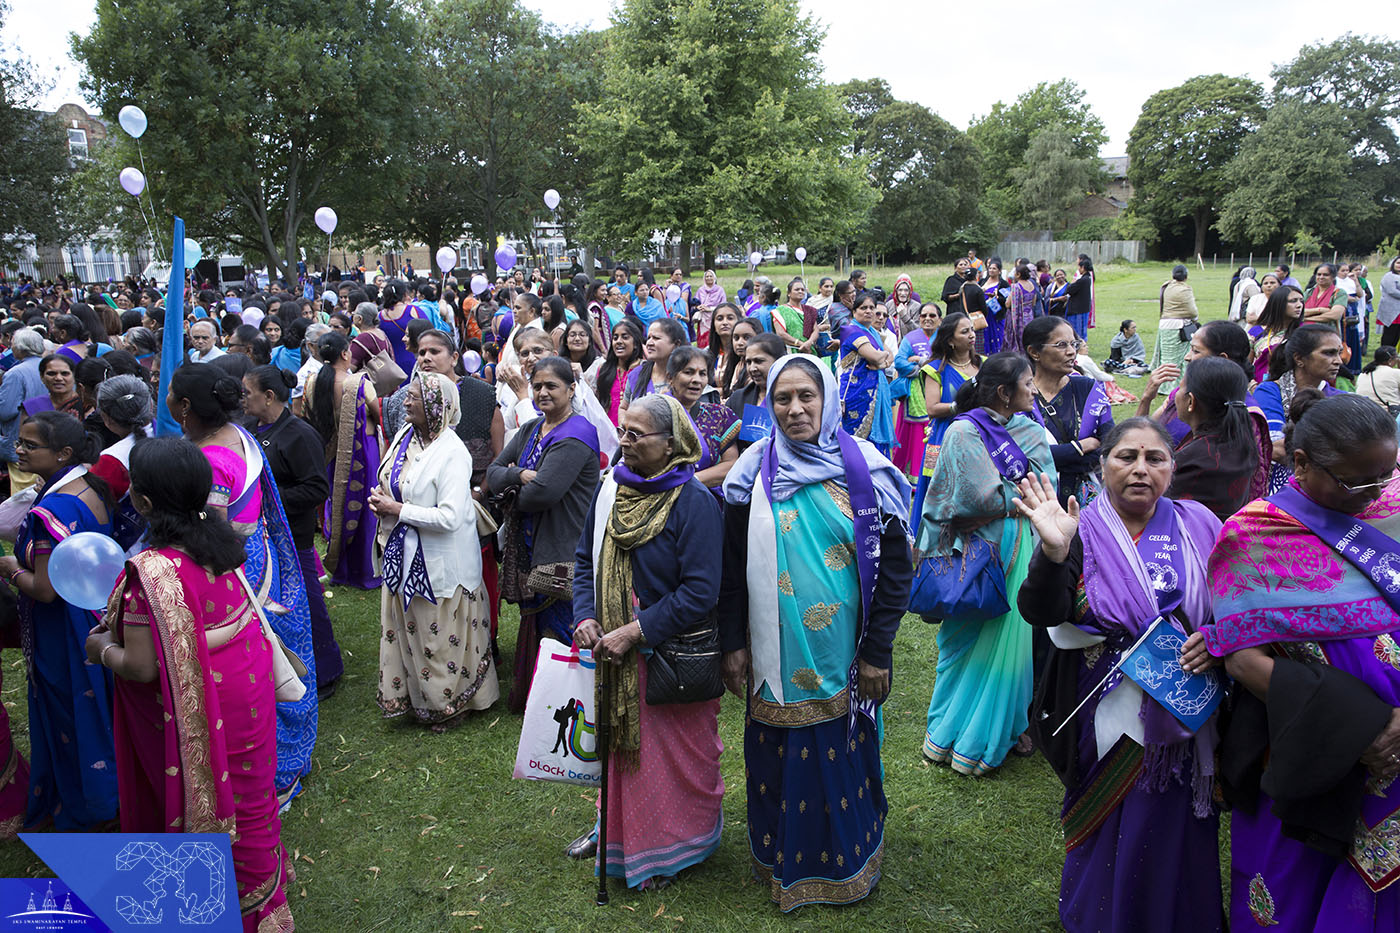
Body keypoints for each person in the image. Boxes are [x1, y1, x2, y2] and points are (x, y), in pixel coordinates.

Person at [1188, 393, 1400, 930]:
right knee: (1295, 887)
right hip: (1313, 744)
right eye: (1356, 482)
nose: (1375, 493)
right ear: (1299, 464)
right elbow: (1243, 661)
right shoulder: (1253, 536)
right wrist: (1363, 731)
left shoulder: (1392, 506)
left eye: (1386, 474)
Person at [718, 355, 911, 910]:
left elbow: (895, 572)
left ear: (828, 399)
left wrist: (877, 653)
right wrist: (733, 644)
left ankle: (844, 862)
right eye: (783, 399)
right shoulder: (749, 473)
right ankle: (780, 859)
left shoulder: (868, 473)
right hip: (768, 655)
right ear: (769, 404)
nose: (796, 409)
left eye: (807, 396)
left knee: (836, 755)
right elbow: (732, 572)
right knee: (773, 757)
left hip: (842, 655)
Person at [1016, 419, 1224, 933]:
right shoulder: (1080, 528)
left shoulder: (1200, 526)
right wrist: (1053, 554)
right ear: (1102, 463)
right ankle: (1101, 913)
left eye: (1155, 459)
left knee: (1173, 813)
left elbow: (1233, 604)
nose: (1140, 469)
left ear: (1172, 469)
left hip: (1186, 699)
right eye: (1125, 456)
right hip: (1102, 703)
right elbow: (1041, 610)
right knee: (1109, 813)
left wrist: (1219, 643)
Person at [89, 437, 294, 931]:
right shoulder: (221, 543)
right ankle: (265, 903)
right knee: (249, 798)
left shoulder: (155, 573)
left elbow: (140, 667)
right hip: (244, 695)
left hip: (195, 712)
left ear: (140, 500)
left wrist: (99, 649)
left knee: (203, 806)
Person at [566, 394, 724, 888]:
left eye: (637, 434)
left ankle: (670, 846)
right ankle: (610, 827)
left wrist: (636, 631)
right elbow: (582, 561)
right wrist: (586, 617)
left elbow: (701, 591)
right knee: (616, 746)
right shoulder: (611, 488)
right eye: (624, 431)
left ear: (672, 443)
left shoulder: (694, 501)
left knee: (668, 757)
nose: (625, 442)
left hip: (667, 654)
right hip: (611, 649)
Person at [166, 364, 317, 803]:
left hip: (237, 574)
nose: (167, 399)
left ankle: (272, 775)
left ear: (186, 407)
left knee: (254, 670)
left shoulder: (211, 461)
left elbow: (212, 533)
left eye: (171, 393)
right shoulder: (240, 434)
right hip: (261, 558)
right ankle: (288, 759)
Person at [919, 352, 1054, 774]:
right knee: (963, 639)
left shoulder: (1031, 430)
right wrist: (1017, 497)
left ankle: (992, 737)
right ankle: (946, 735)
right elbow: (970, 497)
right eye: (1027, 383)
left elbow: (1046, 483)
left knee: (1011, 647)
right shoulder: (963, 431)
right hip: (975, 554)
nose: (1033, 390)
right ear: (1004, 392)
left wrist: (1011, 496)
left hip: (1019, 549)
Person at [0, 413, 117, 828]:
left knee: (71, 715)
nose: (19, 450)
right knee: (96, 713)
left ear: (63, 453)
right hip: (93, 614)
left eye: (30, 445)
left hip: (63, 628)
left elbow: (45, 589)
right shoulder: (89, 486)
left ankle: (85, 808)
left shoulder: (54, 508)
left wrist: (10, 567)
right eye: (20, 442)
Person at [369, 373, 498, 728]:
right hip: (403, 554)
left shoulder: (452, 453)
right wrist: (383, 498)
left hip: (439, 561)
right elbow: (393, 480)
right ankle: (415, 697)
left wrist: (398, 511)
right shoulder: (404, 437)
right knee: (409, 630)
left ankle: (450, 704)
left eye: (413, 397)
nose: (405, 402)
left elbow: (452, 517)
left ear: (436, 407)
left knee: (438, 638)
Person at [487, 357, 601, 711]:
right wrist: (518, 475)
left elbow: (543, 495)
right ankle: (543, 700)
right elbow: (492, 473)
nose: (542, 392)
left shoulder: (577, 433)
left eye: (552, 386)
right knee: (538, 622)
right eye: (537, 386)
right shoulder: (531, 429)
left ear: (570, 389)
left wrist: (512, 484)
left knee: (566, 625)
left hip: (565, 545)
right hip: (530, 544)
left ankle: (582, 698)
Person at [243, 365, 342, 698]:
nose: (243, 399)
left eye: (248, 393)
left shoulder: (299, 434)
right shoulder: (249, 429)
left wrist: (267, 497)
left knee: (308, 603)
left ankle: (326, 671)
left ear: (269, 396)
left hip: (293, 538)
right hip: (263, 538)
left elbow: (316, 489)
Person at [305, 332, 382, 590]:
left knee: (337, 506)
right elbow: (377, 413)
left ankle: (340, 566)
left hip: (329, 452)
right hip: (363, 452)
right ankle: (364, 572)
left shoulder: (312, 382)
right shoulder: (358, 383)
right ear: (344, 354)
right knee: (365, 509)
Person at [1026, 317, 1114, 508]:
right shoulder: (1020, 396)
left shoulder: (1088, 389)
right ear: (1034, 352)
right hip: (1039, 506)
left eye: (1074, 343)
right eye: (1061, 345)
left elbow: (1109, 446)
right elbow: (1024, 459)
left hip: (1089, 505)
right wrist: (1080, 447)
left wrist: (1055, 457)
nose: (1072, 351)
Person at [1254, 324, 1346, 494]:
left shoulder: (1341, 398)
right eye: (1328, 353)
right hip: (1274, 490)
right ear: (1299, 359)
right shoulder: (1270, 391)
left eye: (1339, 353)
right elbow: (1274, 449)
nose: (1339, 361)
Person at [1165, 356, 1259, 520]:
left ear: (1191, 402)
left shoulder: (1193, 459)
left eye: (1179, 388)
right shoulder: (1242, 443)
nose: (1176, 396)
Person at [911, 312, 981, 520]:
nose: (972, 335)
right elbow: (932, 408)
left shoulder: (983, 365)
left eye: (972, 330)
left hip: (980, 435)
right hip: (945, 436)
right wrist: (959, 406)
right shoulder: (934, 370)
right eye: (965, 331)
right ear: (950, 340)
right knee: (942, 491)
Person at [87, 375, 153, 551]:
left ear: (106, 417)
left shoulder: (111, 460)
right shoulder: (175, 433)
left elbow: (91, 511)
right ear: (150, 405)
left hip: (132, 551)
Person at [667, 346, 738, 491]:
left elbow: (731, 464)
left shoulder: (719, 416)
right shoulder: (652, 414)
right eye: (688, 372)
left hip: (706, 501)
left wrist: (690, 483)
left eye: (702, 374)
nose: (697, 380)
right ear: (670, 378)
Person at [837, 292, 895, 455]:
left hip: (876, 389)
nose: (869, 311)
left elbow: (890, 357)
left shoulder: (874, 332)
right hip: (858, 392)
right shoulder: (851, 331)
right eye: (863, 308)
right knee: (857, 440)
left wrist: (881, 363)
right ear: (854, 312)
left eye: (872, 308)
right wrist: (881, 358)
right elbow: (876, 356)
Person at [890, 302, 941, 479]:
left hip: (940, 391)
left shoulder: (944, 338)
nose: (927, 319)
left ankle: (935, 472)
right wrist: (925, 366)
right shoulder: (911, 338)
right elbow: (899, 362)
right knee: (915, 433)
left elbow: (945, 362)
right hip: (915, 394)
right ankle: (913, 475)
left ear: (940, 319)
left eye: (932, 316)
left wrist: (919, 359)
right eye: (923, 315)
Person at [0, 328, 47, 492]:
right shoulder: (52, 367)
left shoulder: (15, 373)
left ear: (19, 348)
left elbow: (6, 411)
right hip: (48, 441)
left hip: (21, 441)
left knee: (22, 494)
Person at [588, 318, 644, 427]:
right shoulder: (604, 369)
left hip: (635, 431)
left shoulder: (643, 369)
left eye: (625, 337)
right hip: (608, 431)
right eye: (615, 338)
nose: (618, 341)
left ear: (636, 344)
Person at [1150, 265, 1197, 394]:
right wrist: (1195, 318)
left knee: (1166, 358)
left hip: (1164, 324)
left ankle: (1162, 384)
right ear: (1186, 276)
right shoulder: (1185, 289)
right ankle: (1170, 387)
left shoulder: (1167, 286)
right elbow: (1192, 310)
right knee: (1178, 359)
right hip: (1178, 326)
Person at [623, 318, 688, 407]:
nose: (649, 343)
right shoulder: (636, 375)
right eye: (649, 338)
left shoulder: (688, 378)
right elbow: (623, 407)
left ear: (677, 344)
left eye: (656, 338)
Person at [1248, 285, 1304, 383]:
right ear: (1278, 303)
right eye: (1293, 301)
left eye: (1301, 301)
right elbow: (1244, 365)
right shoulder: (1256, 332)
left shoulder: (1304, 332)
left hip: (1294, 387)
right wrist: (1252, 385)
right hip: (1259, 388)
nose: (1299, 305)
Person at [28, 354, 82, 418]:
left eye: (64, 373)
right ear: (42, 377)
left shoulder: (84, 405)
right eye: (51, 373)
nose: (58, 378)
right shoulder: (32, 406)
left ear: (74, 376)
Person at [1004, 264, 1037, 353]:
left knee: (1017, 339)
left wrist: (1007, 299)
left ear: (1018, 274)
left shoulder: (1016, 287)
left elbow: (1008, 304)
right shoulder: (1032, 284)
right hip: (1029, 316)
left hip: (1018, 318)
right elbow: (1033, 302)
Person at [1356, 345, 1400, 412]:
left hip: (1363, 411)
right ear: (1390, 360)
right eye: (1397, 357)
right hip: (1386, 414)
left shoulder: (1363, 374)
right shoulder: (1395, 373)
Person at [980, 260, 1010, 353]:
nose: (991, 270)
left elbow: (1007, 300)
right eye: (990, 268)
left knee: (998, 336)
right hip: (984, 314)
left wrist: (996, 297)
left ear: (999, 271)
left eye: (994, 268)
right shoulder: (982, 281)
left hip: (997, 314)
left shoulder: (1003, 284)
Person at [1379, 255, 1400, 348]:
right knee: (1389, 336)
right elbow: (1392, 291)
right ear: (1393, 264)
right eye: (1398, 263)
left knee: (1397, 336)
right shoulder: (1389, 276)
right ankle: (1384, 356)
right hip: (1391, 312)